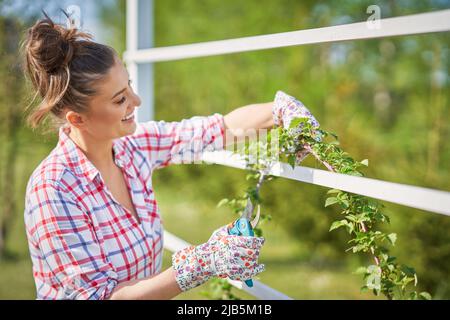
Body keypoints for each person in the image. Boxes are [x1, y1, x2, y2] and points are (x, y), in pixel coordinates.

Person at [22, 14, 319, 300]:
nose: (136, 102)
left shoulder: (131, 146)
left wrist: (279, 109)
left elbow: (216, 130)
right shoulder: (53, 190)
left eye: (130, 87)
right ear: (77, 119)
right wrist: (204, 262)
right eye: (120, 99)